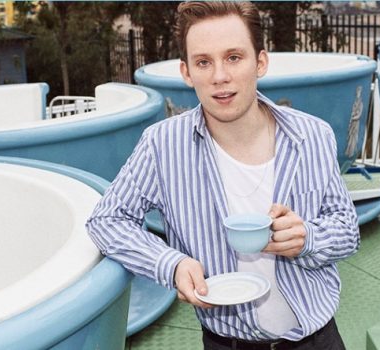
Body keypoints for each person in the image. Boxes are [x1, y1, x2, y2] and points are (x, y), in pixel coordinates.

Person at [87, 2, 359, 349]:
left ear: (260, 62)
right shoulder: (162, 146)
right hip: (226, 343)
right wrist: (170, 263)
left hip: (317, 341)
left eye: (233, 57)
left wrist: (308, 238)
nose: (219, 76)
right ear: (186, 72)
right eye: (204, 62)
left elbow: (347, 229)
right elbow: (106, 220)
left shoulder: (311, 136)